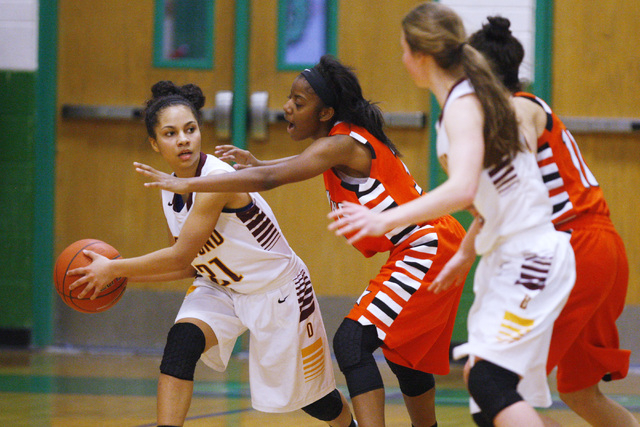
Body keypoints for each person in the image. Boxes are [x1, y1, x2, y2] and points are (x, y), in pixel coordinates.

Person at [134, 55, 467, 427]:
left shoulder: (341, 143)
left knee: (352, 344)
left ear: (325, 113)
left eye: (298, 102)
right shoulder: (335, 144)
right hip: (428, 243)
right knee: (403, 356)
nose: (287, 107)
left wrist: (191, 183)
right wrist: (256, 163)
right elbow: (286, 167)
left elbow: (273, 179)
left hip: (427, 243)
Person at [326, 3, 576, 427]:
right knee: (490, 393)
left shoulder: (463, 105)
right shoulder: (469, 101)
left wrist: (384, 220)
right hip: (512, 254)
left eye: (404, 50)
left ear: (421, 55)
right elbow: (490, 197)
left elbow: (461, 190)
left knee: (489, 384)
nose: (402, 60)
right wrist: (463, 256)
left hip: (530, 255)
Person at [67, 81, 356, 427]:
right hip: (220, 285)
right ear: (155, 144)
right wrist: (120, 272)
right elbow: (190, 264)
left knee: (314, 401)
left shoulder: (216, 178)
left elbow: (178, 256)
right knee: (181, 343)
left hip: (276, 290)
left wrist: (114, 269)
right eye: (171, 134)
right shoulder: (171, 187)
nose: (184, 139)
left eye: (190, 129)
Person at [468, 16, 637, 426]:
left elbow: (519, 139)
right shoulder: (518, 109)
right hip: (601, 249)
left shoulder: (517, 108)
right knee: (579, 392)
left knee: (490, 381)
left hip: (575, 247)